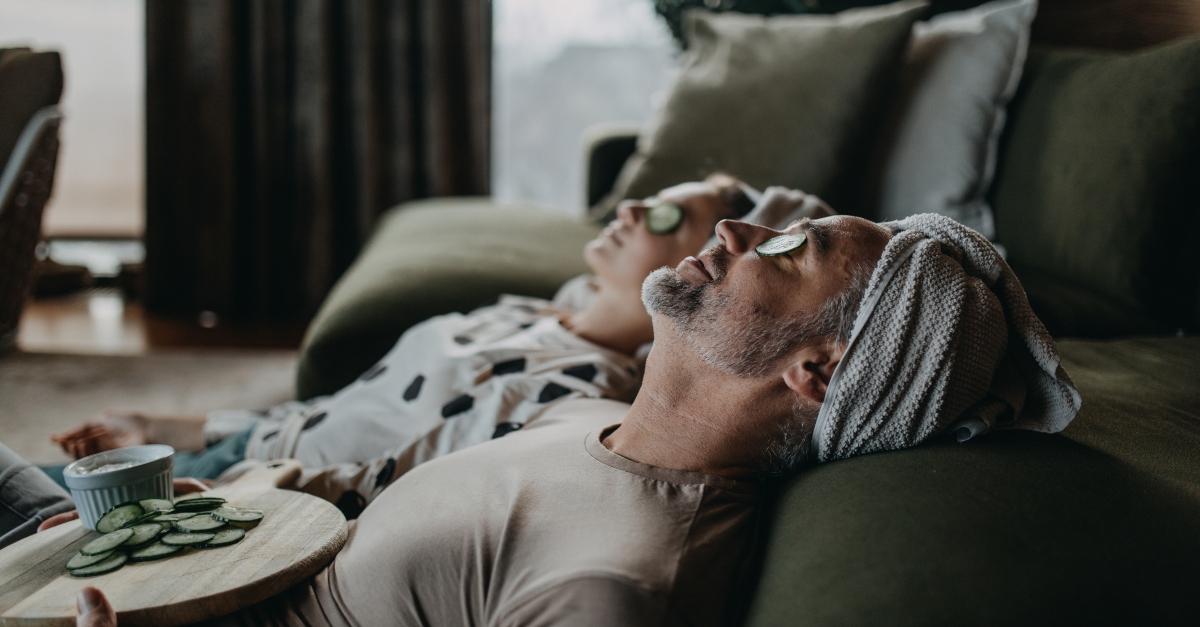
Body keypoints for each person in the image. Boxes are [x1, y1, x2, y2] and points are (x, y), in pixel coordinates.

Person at [31, 212, 1078, 626]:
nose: (739, 227)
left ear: (815, 371)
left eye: (792, 248)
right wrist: (232, 503)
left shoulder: (615, 579)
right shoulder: (587, 414)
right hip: (183, 585)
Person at [46, 175, 787, 511]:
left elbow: (394, 485)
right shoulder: (529, 313)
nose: (631, 206)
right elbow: (342, 407)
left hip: (243, 500)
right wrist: (165, 429)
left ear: (700, 263)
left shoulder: (569, 391)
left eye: (663, 213)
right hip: (235, 452)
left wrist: (216, 494)